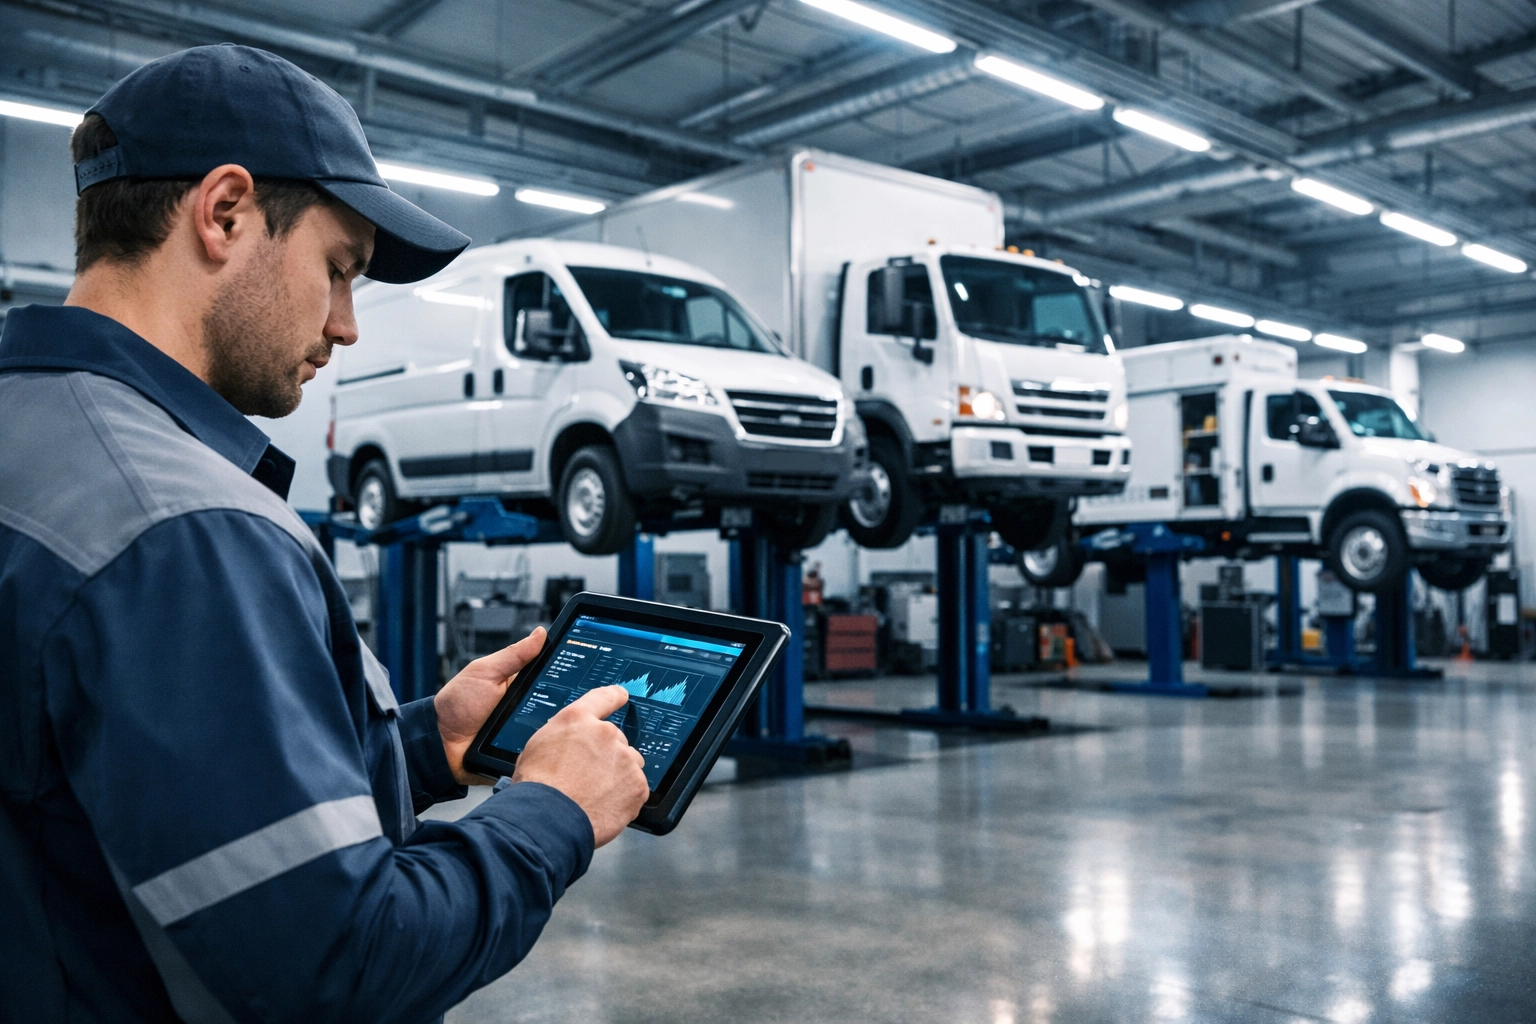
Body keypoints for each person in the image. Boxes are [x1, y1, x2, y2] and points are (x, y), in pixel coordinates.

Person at [0, 44, 649, 1023]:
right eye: (338, 269)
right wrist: (549, 813)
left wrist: (426, 745)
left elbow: (116, 801)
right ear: (224, 213)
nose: (346, 325)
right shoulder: (183, 530)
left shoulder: (33, 433)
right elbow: (335, 968)